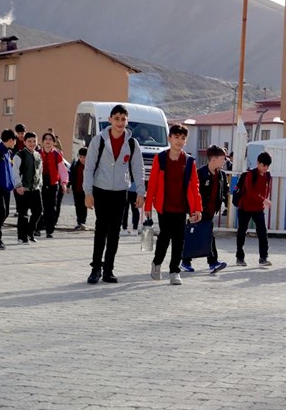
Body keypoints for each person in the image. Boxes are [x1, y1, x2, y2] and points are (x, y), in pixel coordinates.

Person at [83, 104, 146, 284]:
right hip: (100, 190)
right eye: (116, 118)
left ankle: (109, 270)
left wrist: (141, 192)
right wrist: (88, 192)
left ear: (127, 121)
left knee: (115, 232)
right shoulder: (99, 140)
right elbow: (88, 168)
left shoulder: (132, 143)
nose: (120, 122)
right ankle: (95, 269)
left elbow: (138, 169)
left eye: (123, 119)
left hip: (120, 191)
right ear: (110, 119)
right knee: (101, 229)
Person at [143, 124, 202, 285]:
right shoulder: (160, 158)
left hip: (182, 206)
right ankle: (157, 263)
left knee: (179, 239)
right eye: (176, 137)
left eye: (183, 138)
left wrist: (197, 208)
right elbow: (153, 183)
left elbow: (195, 186)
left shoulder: (189, 161)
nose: (179, 141)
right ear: (169, 138)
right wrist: (147, 206)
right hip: (164, 206)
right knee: (164, 237)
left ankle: (174, 271)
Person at [181, 145, 229, 274]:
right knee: (195, 236)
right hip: (198, 211)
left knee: (206, 236)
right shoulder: (200, 173)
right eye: (222, 158)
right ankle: (189, 262)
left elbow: (224, 191)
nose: (225, 161)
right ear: (213, 159)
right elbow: (192, 192)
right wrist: (192, 211)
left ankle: (210, 262)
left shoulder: (221, 175)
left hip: (210, 211)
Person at [234, 152, 273, 267]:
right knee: (242, 232)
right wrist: (263, 199)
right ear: (258, 163)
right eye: (263, 165)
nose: (265, 168)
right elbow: (250, 191)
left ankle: (263, 258)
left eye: (267, 166)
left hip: (258, 208)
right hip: (245, 207)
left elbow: (267, 191)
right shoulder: (251, 174)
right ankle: (239, 258)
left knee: (262, 233)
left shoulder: (268, 176)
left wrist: (263, 199)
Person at [12, 132, 43, 245]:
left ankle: (30, 232)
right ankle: (22, 237)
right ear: (24, 142)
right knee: (23, 214)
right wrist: (18, 185)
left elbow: (40, 172)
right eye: (29, 141)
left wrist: (40, 185)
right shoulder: (19, 155)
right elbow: (14, 171)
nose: (32, 143)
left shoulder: (38, 155)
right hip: (23, 189)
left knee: (38, 211)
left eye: (34, 141)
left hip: (35, 189)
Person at [39, 132, 65, 238]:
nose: (48, 141)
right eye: (46, 139)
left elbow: (62, 170)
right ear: (42, 141)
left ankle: (49, 230)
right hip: (40, 183)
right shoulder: (37, 153)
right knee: (40, 206)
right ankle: (37, 228)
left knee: (51, 207)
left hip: (53, 182)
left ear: (54, 142)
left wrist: (64, 183)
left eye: (50, 139)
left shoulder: (57, 154)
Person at [69, 147, 88, 230]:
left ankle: (83, 222)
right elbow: (71, 176)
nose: (82, 159)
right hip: (76, 189)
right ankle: (79, 222)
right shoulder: (75, 165)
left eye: (84, 157)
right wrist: (68, 185)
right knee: (78, 206)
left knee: (84, 206)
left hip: (86, 190)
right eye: (81, 157)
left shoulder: (90, 166)